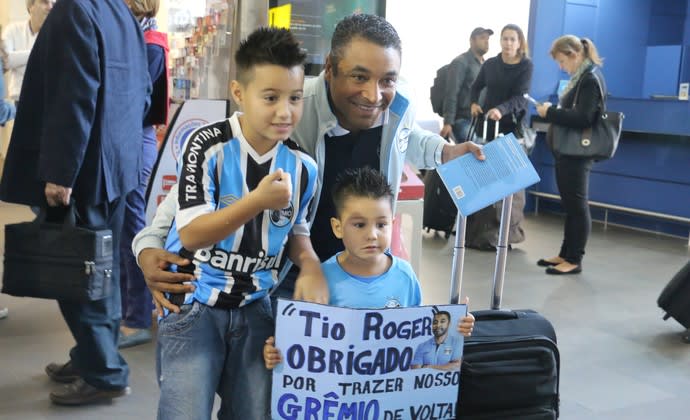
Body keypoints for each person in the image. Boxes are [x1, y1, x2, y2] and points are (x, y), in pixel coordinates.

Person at [133, 14, 485, 314]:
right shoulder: (289, 112)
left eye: (387, 80)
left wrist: (444, 152)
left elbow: (406, 138)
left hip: (362, 267)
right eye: (359, 77)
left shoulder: (397, 106)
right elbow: (198, 180)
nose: (374, 95)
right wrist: (148, 246)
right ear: (330, 67)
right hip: (287, 272)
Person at [155, 27, 321, 420]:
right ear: (239, 92)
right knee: (184, 412)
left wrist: (311, 263)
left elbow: (296, 228)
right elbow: (193, 233)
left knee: (253, 413)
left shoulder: (303, 167)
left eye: (295, 98)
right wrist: (256, 202)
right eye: (271, 98)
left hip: (256, 310)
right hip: (194, 306)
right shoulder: (207, 146)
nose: (285, 111)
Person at [0, 0, 150, 406]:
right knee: (102, 269)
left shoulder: (75, 11)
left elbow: (74, 95)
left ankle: (104, 372)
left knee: (78, 272)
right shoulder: (119, 12)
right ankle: (91, 357)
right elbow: (144, 90)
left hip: (83, 172)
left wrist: (61, 173)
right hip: (116, 166)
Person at [263, 167, 474, 369]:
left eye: (381, 225)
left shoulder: (405, 276)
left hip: (388, 396)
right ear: (338, 227)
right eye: (359, 225)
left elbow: (420, 337)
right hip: (337, 397)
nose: (372, 235)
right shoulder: (322, 280)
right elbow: (301, 342)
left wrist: (454, 329)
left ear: (392, 223)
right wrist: (279, 349)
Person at [118, 0, 169, 349]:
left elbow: (135, 103)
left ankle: (136, 317)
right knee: (126, 224)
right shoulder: (138, 36)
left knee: (131, 226)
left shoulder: (148, 42)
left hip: (135, 137)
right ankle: (132, 309)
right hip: (130, 136)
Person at [535, 35, 605, 275]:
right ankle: (565, 253)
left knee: (577, 205)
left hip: (578, 153)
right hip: (567, 152)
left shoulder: (589, 80)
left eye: (562, 62)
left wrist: (551, 112)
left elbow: (583, 117)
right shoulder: (581, 78)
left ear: (574, 55)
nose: (561, 68)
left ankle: (574, 259)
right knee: (570, 204)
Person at [466, 23, 533, 251]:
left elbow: (520, 98)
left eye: (512, 39)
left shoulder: (525, 66)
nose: (508, 43)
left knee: (509, 186)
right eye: (505, 39)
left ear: (519, 42)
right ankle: (480, 233)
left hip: (510, 129)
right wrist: (474, 104)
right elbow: (475, 87)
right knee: (485, 180)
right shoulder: (492, 64)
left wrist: (501, 110)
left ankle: (506, 234)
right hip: (487, 128)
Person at [440, 27, 492, 142]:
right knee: (476, 151)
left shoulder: (486, 65)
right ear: (472, 40)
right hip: (462, 120)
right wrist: (448, 122)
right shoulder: (461, 62)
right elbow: (451, 93)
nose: (486, 41)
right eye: (482, 38)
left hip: (481, 123)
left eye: (488, 39)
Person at [2, 0, 54, 105]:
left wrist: (18, 59)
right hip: (19, 102)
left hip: (48, 103)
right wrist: (40, 52)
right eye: (45, 2)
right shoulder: (13, 30)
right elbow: (5, 61)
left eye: (53, 4)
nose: (50, 7)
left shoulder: (57, 35)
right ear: (31, 6)